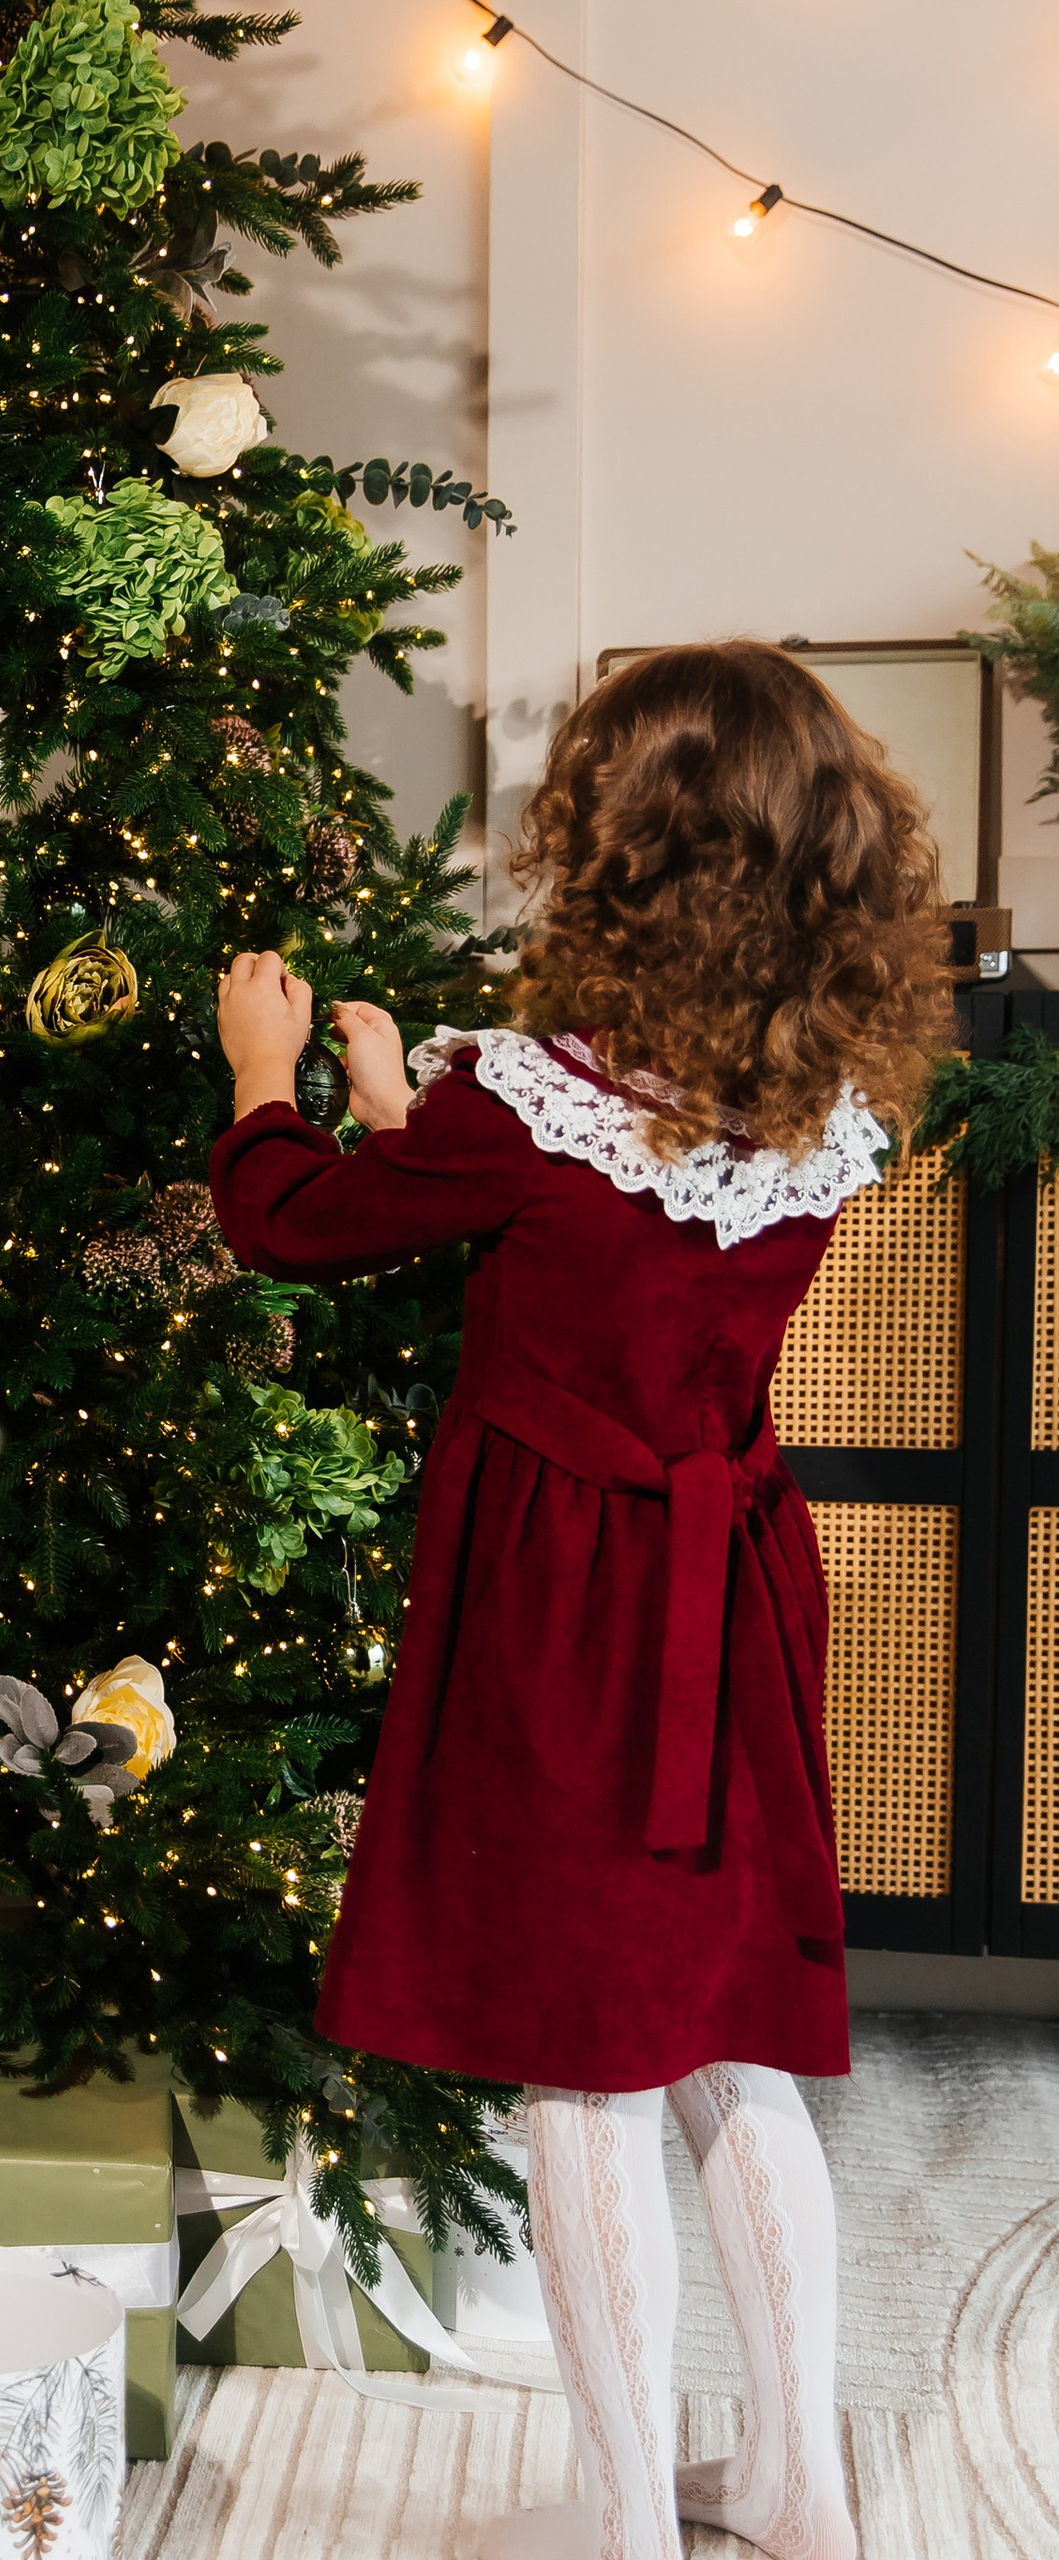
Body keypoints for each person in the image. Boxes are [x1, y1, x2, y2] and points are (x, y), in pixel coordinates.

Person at [208, 642, 948, 2560]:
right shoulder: (820, 1112)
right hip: (728, 1590)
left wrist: (275, 1081)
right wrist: (416, 1095)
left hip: (566, 1606)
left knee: (581, 2070)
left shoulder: (534, 1103)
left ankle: (623, 2526)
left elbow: (303, 1221)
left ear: (618, 855)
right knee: (725, 2048)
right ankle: (796, 2483)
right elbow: (595, 1210)